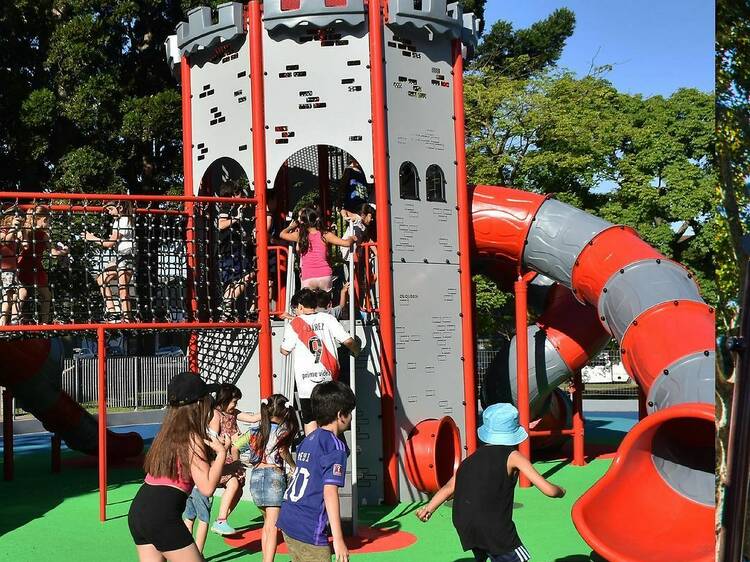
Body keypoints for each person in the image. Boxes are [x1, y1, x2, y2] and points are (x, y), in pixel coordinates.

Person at [415, 403, 566, 562]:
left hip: (465, 523)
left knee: (485, 550)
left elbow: (448, 488)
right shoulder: (513, 456)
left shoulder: (469, 460)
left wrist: (429, 509)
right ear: (513, 433)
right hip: (493, 527)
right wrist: (560, 490)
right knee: (516, 558)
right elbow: (549, 490)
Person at [128, 371, 230, 561]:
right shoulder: (192, 438)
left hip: (140, 509)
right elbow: (207, 487)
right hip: (162, 514)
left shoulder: (166, 434)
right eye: (208, 398)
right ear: (199, 404)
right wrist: (222, 453)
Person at [277, 381, 355, 562]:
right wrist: (338, 539)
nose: (351, 417)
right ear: (340, 415)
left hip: (289, 518)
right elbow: (329, 492)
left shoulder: (309, 438)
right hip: (309, 527)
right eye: (349, 412)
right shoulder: (336, 447)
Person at [280, 288, 360, 434]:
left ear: (300, 306)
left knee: (310, 421)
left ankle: (314, 453)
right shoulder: (328, 318)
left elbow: (285, 350)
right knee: (330, 420)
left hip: (306, 384)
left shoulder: (295, 324)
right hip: (328, 380)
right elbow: (348, 341)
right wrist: (357, 351)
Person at [239, 394, 299, 562]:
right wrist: (293, 467)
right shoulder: (283, 430)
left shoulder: (255, 429)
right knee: (272, 527)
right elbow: (282, 452)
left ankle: (266, 559)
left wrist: (239, 464)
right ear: (284, 412)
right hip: (274, 476)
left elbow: (236, 446)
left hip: (257, 476)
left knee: (266, 524)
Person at [210, 383, 259, 535]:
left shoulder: (234, 413)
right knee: (232, 483)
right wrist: (229, 440)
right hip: (220, 459)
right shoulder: (216, 415)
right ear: (224, 400)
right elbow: (212, 439)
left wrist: (267, 411)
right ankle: (221, 520)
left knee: (238, 488)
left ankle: (222, 518)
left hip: (232, 458)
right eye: (234, 402)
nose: (235, 405)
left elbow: (252, 418)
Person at [84, 201, 136, 322]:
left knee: (123, 289)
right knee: (102, 279)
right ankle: (113, 312)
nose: (109, 212)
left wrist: (92, 238)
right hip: (120, 257)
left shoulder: (123, 220)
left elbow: (110, 243)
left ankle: (127, 318)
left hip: (127, 257)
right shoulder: (118, 221)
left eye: (111, 209)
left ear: (120, 207)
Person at [279, 207, 352, 291]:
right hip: (324, 275)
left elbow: (282, 234)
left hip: (308, 276)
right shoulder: (325, 234)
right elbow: (346, 243)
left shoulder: (300, 235)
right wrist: (352, 238)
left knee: (308, 303)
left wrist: (292, 226)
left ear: (302, 222)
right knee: (324, 303)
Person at [18, 205, 69, 324]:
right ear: (44, 219)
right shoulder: (32, 232)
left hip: (30, 265)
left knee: (36, 293)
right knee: (32, 293)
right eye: (49, 221)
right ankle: (23, 318)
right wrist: (65, 251)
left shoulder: (36, 232)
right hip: (28, 265)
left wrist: (63, 251)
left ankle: (41, 322)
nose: (49, 224)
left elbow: (53, 253)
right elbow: (54, 254)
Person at [216, 181, 255, 320]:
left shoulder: (231, 208)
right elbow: (221, 225)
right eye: (239, 194)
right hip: (230, 251)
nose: (241, 197)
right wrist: (236, 218)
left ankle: (226, 307)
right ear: (232, 194)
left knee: (238, 278)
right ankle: (227, 303)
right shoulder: (226, 206)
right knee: (246, 274)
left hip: (234, 249)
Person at [0, 212, 25, 325]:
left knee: (11, 298)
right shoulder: (4, 229)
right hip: (6, 270)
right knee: (18, 293)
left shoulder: (15, 232)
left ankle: (5, 323)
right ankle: (12, 321)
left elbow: (24, 245)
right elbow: (6, 240)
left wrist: (20, 232)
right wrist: (13, 229)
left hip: (12, 270)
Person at [182, 487, 213, 553]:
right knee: (203, 520)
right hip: (202, 487)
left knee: (189, 518)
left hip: (187, 485)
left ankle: (186, 552)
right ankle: (198, 555)